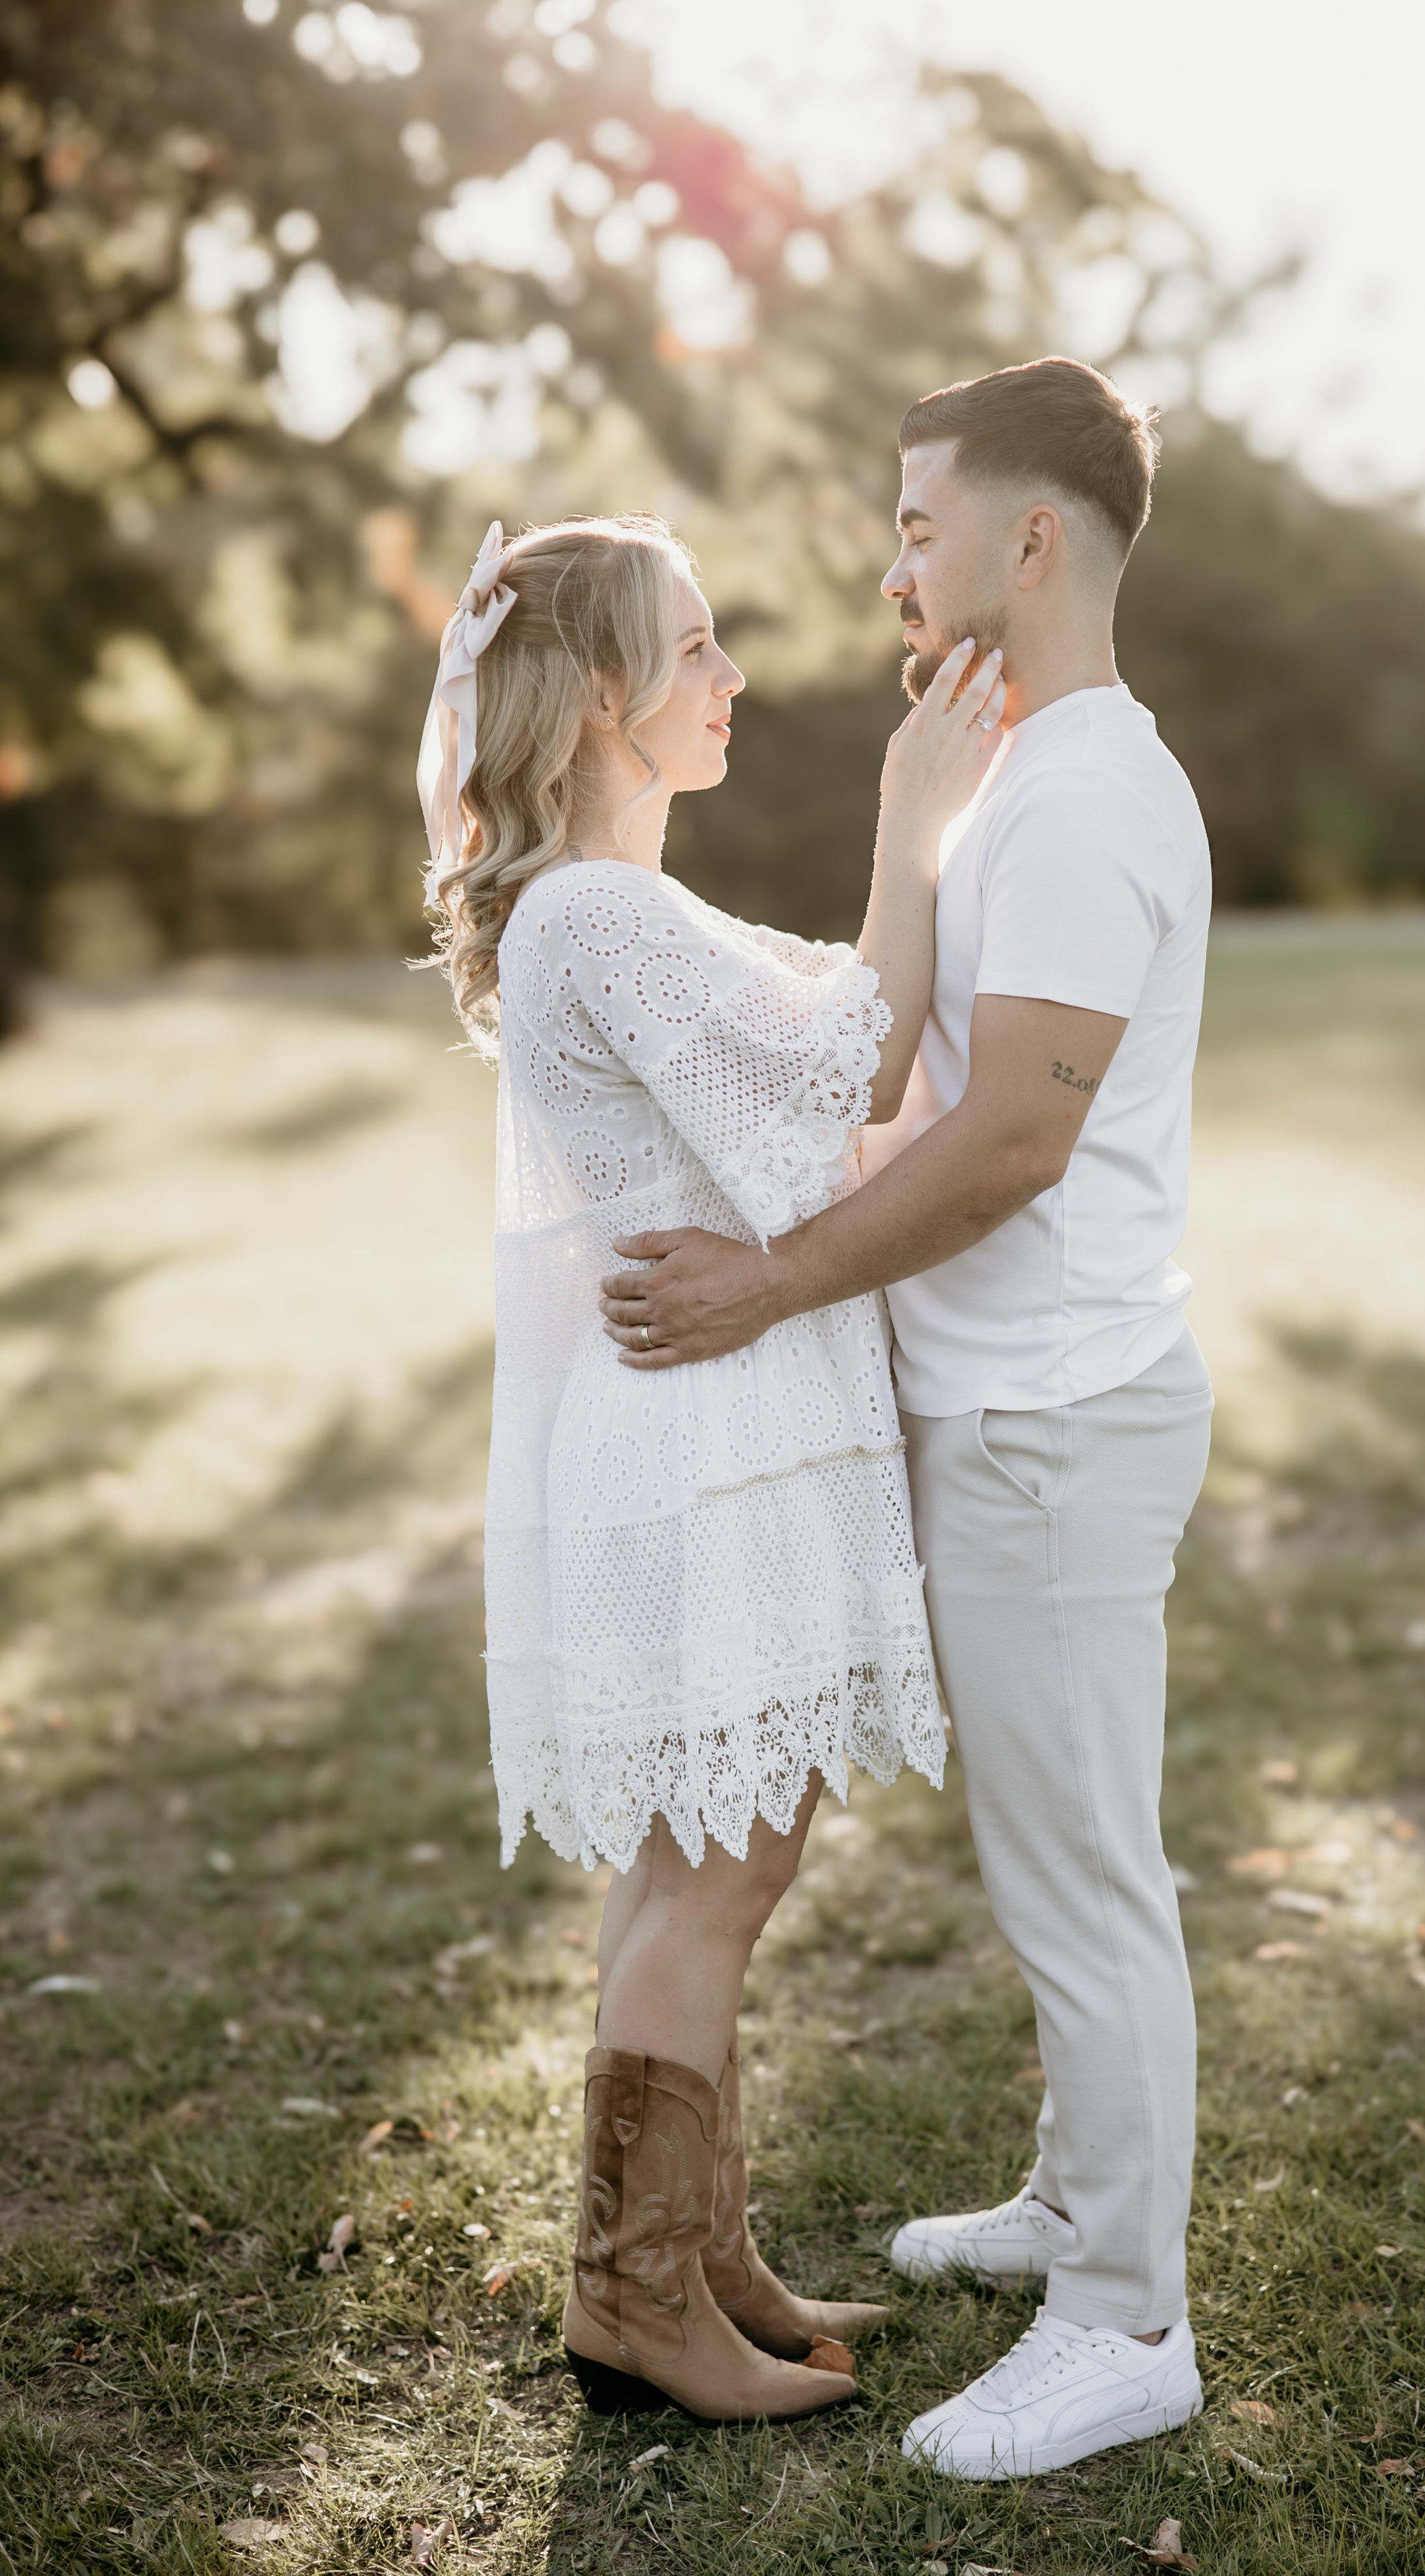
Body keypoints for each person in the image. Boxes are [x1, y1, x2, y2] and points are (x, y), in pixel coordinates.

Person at [597, 356, 1217, 2479]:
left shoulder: (1086, 798)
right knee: (1058, 1850)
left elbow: (1017, 1147)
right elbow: (918, 1095)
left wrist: (765, 1285)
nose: (893, 565)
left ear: (1030, 544)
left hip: (1056, 1419)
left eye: (922, 521)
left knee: (1081, 1876)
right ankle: (1075, 2198)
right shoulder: (1016, 782)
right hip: (1010, 1408)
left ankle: (1128, 2315)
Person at [418, 512, 1007, 2425]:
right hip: (697, 1446)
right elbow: (843, 1077)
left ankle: (699, 2246)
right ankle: (636, 2296)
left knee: (689, 1864)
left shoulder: (628, 905)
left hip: (709, 1428)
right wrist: (915, 820)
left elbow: (842, 1035)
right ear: (601, 691)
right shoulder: (597, 912)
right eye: (698, 647)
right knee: (723, 1875)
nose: (733, 675)